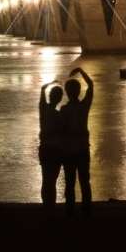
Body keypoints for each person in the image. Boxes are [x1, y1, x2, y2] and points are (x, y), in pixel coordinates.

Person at [62, 66, 93, 218]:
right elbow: (91, 86)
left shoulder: (63, 110)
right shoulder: (84, 106)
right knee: (85, 182)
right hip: (83, 149)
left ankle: (70, 211)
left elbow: (61, 131)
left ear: (67, 93)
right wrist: (81, 71)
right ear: (79, 91)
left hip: (68, 151)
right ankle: (87, 210)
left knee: (69, 183)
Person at [38, 81, 64, 214]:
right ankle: (51, 208)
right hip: (56, 150)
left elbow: (42, 91)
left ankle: (46, 208)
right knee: (52, 182)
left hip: (45, 149)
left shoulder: (44, 110)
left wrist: (49, 85)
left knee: (46, 180)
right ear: (59, 99)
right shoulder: (59, 115)